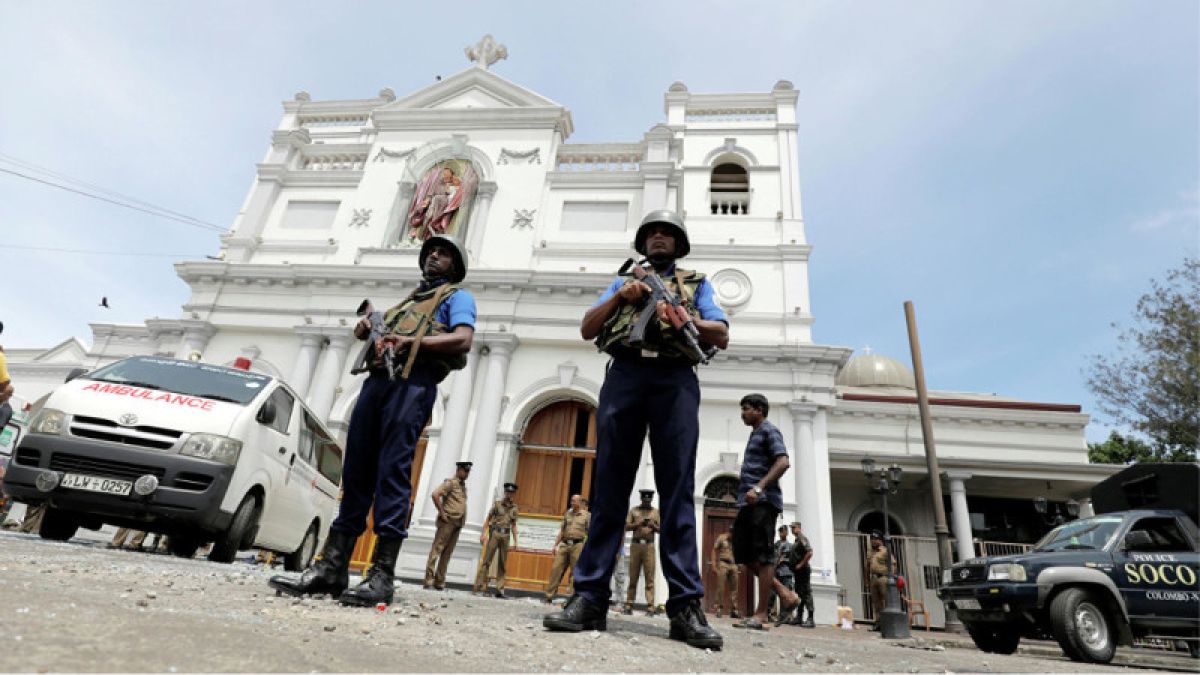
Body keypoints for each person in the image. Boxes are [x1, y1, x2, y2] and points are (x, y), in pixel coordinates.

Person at [544, 210, 729, 650]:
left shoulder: (697, 282)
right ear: (642, 243)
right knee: (608, 489)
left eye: (667, 233)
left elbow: (720, 332)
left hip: (675, 380)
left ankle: (684, 606)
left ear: (679, 243)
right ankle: (589, 597)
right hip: (625, 376)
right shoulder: (623, 279)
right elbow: (589, 326)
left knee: (678, 490)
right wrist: (622, 297)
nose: (659, 238)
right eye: (652, 233)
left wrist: (682, 316)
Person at [269, 234, 476, 607]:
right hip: (376, 385)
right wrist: (369, 330)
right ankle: (332, 568)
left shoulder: (456, 298)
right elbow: (382, 336)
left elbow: (462, 340)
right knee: (357, 473)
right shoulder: (406, 303)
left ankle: (382, 574)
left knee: (393, 471)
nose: (433, 257)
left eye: (443, 254)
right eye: (429, 252)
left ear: (455, 266)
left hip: (412, 385)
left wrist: (406, 342)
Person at [730, 393, 799, 630]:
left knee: (764, 555)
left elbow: (783, 462)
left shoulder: (770, 431)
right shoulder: (755, 433)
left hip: (763, 502)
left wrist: (759, 488)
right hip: (747, 504)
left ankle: (761, 615)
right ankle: (785, 594)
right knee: (743, 554)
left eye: (747, 409)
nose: (743, 413)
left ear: (760, 410)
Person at [425, 461, 472, 590]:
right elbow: (435, 494)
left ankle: (439, 581)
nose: (467, 474)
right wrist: (442, 512)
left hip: (458, 522)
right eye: (465, 471)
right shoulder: (450, 483)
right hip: (448, 521)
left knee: (447, 553)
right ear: (459, 470)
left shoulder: (462, 486)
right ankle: (429, 580)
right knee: (437, 550)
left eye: (468, 472)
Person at [474, 482, 520, 598]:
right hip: (495, 533)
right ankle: (479, 587)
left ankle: (500, 590)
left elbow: (514, 525)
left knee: (502, 563)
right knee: (487, 560)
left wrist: (516, 541)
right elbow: (488, 519)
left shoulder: (514, 508)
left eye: (511, 492)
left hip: (506, 536)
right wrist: (483, 534)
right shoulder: (497, 505)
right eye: (507, 492)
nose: (509, 494)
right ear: (505, 492)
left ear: (513, 494)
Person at [544, 494, 590, 603]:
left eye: (574, 501)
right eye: (571, 501)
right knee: (556, 569)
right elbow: (562, 531)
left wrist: (585, 546)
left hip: (577, 545)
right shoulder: (567, 514)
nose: (572, 503)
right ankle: (549, 596)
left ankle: (573, 599)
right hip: (565, 544)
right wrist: (555, 545)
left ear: (580, 502)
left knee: (575, 572)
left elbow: (589, 533)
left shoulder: (586, 516)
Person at [623, 489, 660, 615]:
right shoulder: (634, 510)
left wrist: (653, 526)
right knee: (633, 576)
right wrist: (636, 524)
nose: (646, 502)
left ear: (651, 500)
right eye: (644, 500)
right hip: (635, 545)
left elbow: (662, 529)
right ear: (641, 499)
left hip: (649, 546)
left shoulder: (655, 512)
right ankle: (629, 605)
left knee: (650, 577)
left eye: (648, 500)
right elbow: (626, 527)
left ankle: (650, 607)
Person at [788, 521, 816, 628]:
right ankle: (799, 617)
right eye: (791, 528)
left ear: (799, 528)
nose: (792, 530)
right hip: (798, 572)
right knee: (799, 593)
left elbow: (809, 552)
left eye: (794, 527)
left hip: (803, 570)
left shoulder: (802, 538)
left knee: (807, 593)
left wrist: (801, 564)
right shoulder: (796, 540)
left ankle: (810, 618)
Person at [867, 531, 894, 628]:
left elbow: (893, 565)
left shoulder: (885, 551)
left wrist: (891, 578)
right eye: (872, 539)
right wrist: (867, 579)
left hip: (883, 578)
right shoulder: (871, 552)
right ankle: (878, 622)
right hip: (874, 578)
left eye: (875, 539)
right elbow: (868, 566)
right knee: (876, 602)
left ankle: (888, 623)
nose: (873, 541)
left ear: (880, 540)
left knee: (885, 600)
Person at [711, 531, 740, 619]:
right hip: (723, 563)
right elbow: (714, 550)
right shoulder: (721, 537)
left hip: (733, 564)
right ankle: (718, 608)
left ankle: (734, 610)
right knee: (721, 587)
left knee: (734, 588)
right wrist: (713, 565)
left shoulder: (736, 540)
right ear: (729, 532)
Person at [771, 524, 794, 625]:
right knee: (772, 594)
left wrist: (784, 559)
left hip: (786, 572)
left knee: (785, 594)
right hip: (776, 572)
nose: (781, 534)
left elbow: (793, 560)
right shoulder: (776, 544)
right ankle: (771, 613)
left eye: (783, 531)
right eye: (780, 532)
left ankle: (785, 616)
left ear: (786, 532)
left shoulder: (790, 546)